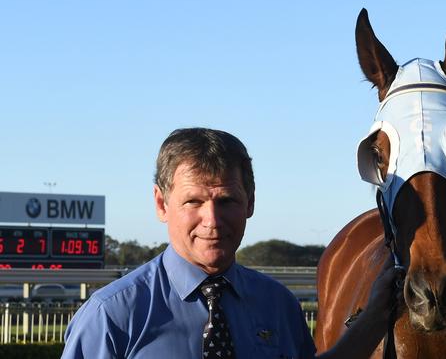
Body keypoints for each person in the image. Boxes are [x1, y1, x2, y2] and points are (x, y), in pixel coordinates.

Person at [61, 127, 404, 359]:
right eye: (193, 202)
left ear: (250, 202)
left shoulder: (279, 307)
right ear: (162, 204)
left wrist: (375, 315)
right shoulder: (111, 316)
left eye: (226, 201)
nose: (212, 220)